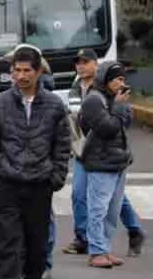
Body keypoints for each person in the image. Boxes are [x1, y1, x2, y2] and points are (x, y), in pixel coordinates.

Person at [0, 46, 71, 279]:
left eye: (26, 70)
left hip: (40, 183)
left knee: (36, 238)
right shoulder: (0, 103)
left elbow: (62, 144)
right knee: (7, 236)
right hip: (7, 180)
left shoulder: (54, 105)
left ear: (38, 71)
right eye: (16, 70)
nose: (21, 76)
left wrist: (56, 175)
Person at [62, 49, 146, 258]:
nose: (80, 66)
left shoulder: (107, 92)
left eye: (85, 62)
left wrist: (118, 106)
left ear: (96, 65)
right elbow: (76, 118)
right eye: (77, 62)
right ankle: (86, 239)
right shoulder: (77, 88)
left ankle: (128, 232)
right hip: (84, 148)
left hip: (105, 154)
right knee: (82, 195)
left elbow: (116, 125)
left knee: (110, 200)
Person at [78, 61, 134, 269]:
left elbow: (125, 125)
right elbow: (107, 128)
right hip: (100, 162)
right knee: (98, 208)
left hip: (118, 161)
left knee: (112, 210)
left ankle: (105, 247)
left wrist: (123, 105)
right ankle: (96, 251)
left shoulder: (114, 99)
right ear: (107, 80)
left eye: (123, 79)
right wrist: (118, 107)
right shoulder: (94, 100)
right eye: (118, 79)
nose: (122, 83)